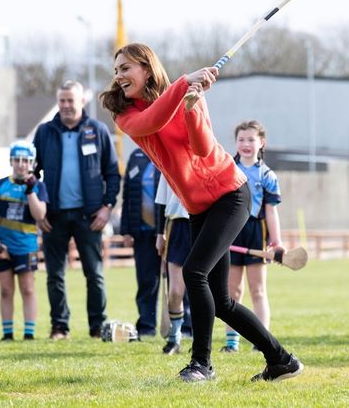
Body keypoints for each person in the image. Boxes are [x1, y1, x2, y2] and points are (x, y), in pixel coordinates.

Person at [100, 43, 302, 383]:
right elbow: (152, 120)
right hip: (198, 206)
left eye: (125, 68)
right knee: (221, 301)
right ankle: (281, 360)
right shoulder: (125, 113)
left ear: (146, 69)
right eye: (116, 69)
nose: (118, 76)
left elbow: (204, 148)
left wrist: (192, 108)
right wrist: (182, 88)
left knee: (194, 272)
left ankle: (202, 365)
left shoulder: (187, 95)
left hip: (230, 194)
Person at [33, 80, 120, 340]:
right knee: (54, 275)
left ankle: (97, 327)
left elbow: (113, 174)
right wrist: (39, 211)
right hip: (53, 216)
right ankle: (60, 327)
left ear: (82, 101)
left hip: (89, 216)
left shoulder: (99, 130)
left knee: (94, 274)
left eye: (71, 100)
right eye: (62, 101)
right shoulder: (44, 132)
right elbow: (31, 174)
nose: (67, 106)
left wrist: (106, 208)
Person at [221, 120, 284, 353]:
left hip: (256, 232)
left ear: (261, 143)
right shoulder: (228, 169)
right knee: (232, 291)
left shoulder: (267, 175)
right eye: (241, 139)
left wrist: (276, 241)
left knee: (258, 290)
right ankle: (231, 342)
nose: (246, 144)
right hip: (232, 231)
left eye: (251, 139)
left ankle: (261, 340)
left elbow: (271, 209)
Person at [0, 141, 48, 341]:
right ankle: (7, 333)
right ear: (11, 161)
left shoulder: (38, 186)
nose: (21, 164)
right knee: (5, 290)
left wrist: (30, 192)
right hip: (3, 247)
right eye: (17, 160)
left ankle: (29, 333)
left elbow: (40, 215)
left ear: (32, 163)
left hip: (26, 246)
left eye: (26, 160)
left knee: (28, 289)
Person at [120, 148, 162, 337]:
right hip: (143, 232)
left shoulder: (168, 151)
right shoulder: (135, 156)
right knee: (146, 280)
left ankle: (184, 326)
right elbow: (128, 195)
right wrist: (126, 229)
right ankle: (146, 325)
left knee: (180, 282)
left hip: (171, 231)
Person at [155, 174, 192, 355]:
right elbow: (161, 201)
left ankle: (200, 340)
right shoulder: (167, 163)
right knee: (176, 291)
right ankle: (175, 338)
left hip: (201, 225)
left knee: (200, 289)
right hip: (176, 227)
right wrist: (159, 234)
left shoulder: (206, 158)